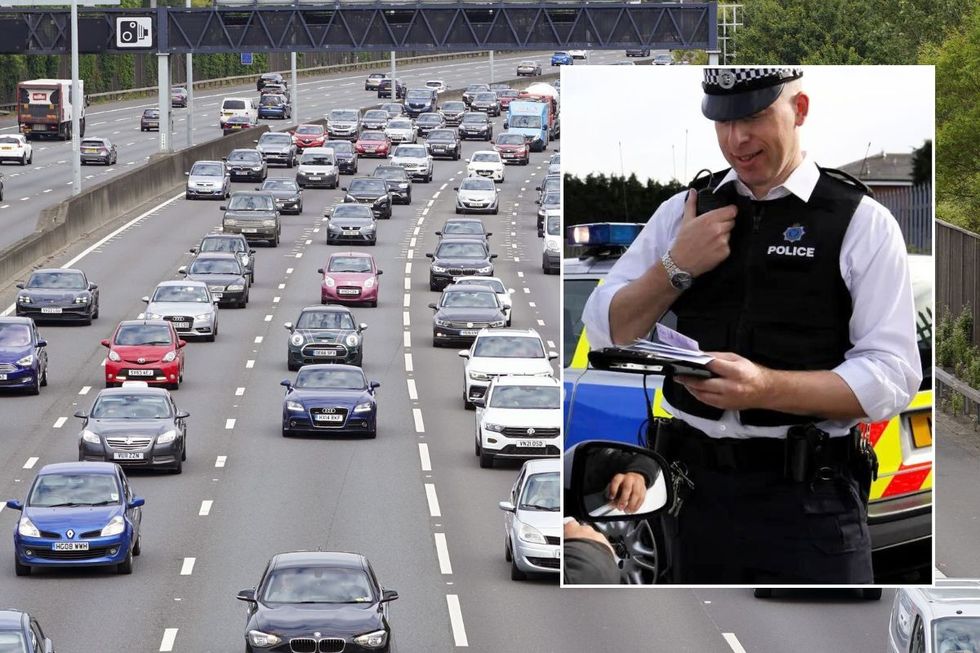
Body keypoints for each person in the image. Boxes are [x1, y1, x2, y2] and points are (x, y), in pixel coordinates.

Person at [581, 67, 921, 584]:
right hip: (690, 500)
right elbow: (608, 330)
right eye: (722, 121)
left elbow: (893, 375)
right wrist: (676, 267)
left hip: (810, 504)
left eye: (755, 116)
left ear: (799, 110)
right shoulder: (684, 212)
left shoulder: (860, 221)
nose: (737, 139)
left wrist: (765, 387)